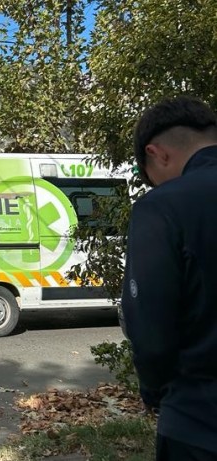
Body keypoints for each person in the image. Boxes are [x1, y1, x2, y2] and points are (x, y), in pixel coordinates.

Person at [121, 95, 217, 460]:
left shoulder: (163, 206)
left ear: (157, 153)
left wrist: (154, 392)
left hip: (199, 422)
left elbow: (150, 327)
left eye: (152, 180)